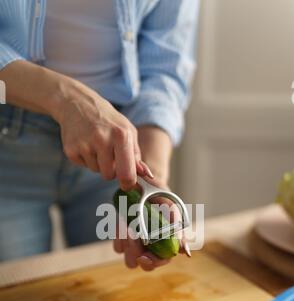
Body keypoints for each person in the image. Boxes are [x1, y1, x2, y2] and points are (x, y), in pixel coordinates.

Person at [0, 0, 199, 271]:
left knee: (110, 292)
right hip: (6, 145)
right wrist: (65, 98)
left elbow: (164, 69)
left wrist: (152, 177)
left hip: (119, 144)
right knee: (13, 299)